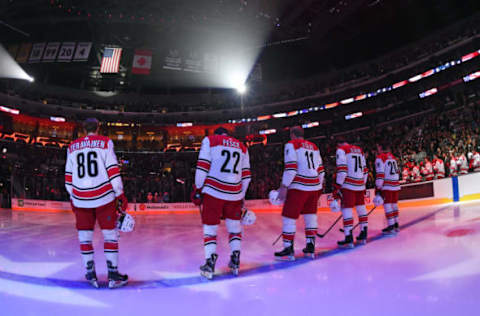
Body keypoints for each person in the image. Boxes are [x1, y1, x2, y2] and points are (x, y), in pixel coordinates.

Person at [65, 118, 129, 289]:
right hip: (104, 198)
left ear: (83, 130)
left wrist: (75, 197)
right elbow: (113, 171)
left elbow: (68, 180)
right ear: (98, 128)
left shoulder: (72, 147)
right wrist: (120, 193)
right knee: (110, 236)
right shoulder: (105, 142)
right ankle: (113, 275)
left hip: (80, 199)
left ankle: (90, 271)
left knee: (84, 237)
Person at [191, 127, 251, 279]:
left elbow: (202, 167)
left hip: (213, 191)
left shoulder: (210, 140)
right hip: (235, 193)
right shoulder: (242, 146)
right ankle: (235, 258)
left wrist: (198, 187)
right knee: (234, 229)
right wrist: (241, 195)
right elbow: (247, 176)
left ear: (216, 134)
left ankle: (210, 263)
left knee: (210, 230)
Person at [274, 126, 324, 260]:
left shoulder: (291, 145)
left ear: (292, 135)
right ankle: (310, 246)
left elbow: (291, 167)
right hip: (314, 186)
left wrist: (284, 186)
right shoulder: (314, 146)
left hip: (298, 186)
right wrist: (318, 186)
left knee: (288, 218)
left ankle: (288, 248)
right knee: (310, 217)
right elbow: (321, 170)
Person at [333, 137, 368, 248]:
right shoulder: (359, 150)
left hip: (348, 185)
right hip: (360, 184)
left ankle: (349, 237)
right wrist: (363, 183)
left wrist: (338, 185)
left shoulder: (341, 150)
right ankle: (364, 233)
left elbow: (342, 170)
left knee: (346, 210)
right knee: (361, 209)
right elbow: (365, 170)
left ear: (338, 144)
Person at [375, 142, 401, 235]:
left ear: (381, 147)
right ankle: (396, 224)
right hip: (395, 183)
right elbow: (397, 171)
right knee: (394, 204)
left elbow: (380, 174)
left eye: (378, 147)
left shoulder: (380, 158)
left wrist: (378, 187)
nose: (377, 149)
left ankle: (391, 225)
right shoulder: (392, 157)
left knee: (387, 205)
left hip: (387, 185)